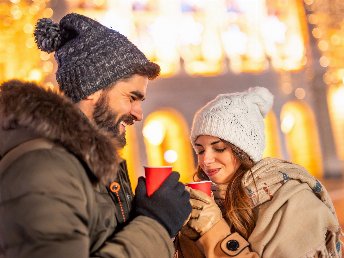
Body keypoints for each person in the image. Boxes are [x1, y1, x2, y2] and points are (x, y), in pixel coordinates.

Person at [0, 13, 191, 258]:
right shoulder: (44, 166)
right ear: (92, 89)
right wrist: (155, 224)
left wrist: (135, 218)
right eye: (131, 98)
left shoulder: (85, 163)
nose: (138, 114)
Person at [175, 87, 343, 257]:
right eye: (200, 150)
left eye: (219, 148)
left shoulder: (291, 200)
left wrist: (211, 230)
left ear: (243, 151)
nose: (205, 160)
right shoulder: (209, 202)